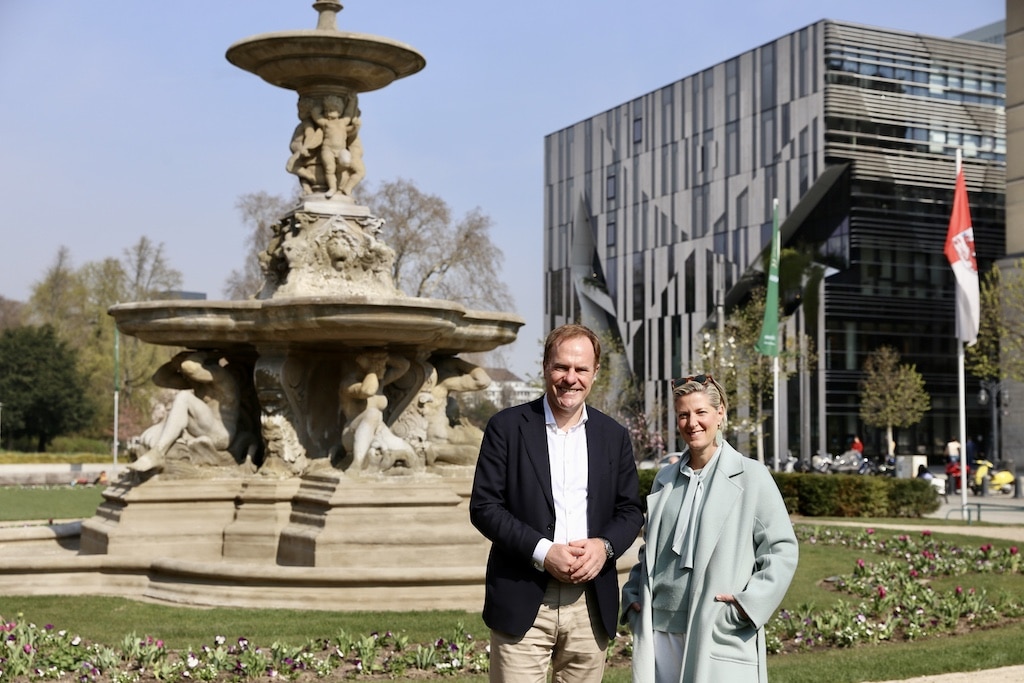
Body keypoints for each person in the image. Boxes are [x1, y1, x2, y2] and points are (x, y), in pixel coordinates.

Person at [469, 324, 644, 682]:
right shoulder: (506, 427)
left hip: (590, 604)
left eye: (581, 369)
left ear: (595, 373)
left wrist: (605, 547)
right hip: (523, 598)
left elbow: (629, 510)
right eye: (561, 367)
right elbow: (485, 507)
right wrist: (543, 551)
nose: (570, 378)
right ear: (546, 366)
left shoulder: (614, 436)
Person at [621, 374, 798, 683]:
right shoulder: (665, 479)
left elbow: (781, 551)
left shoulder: (751, 477)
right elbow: (651, 550)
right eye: (684, 414)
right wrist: (634, 595)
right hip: (658, 629)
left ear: (720, 413)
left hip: (716, 627)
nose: (693, 423)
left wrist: (746, 607)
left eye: (701, 412)